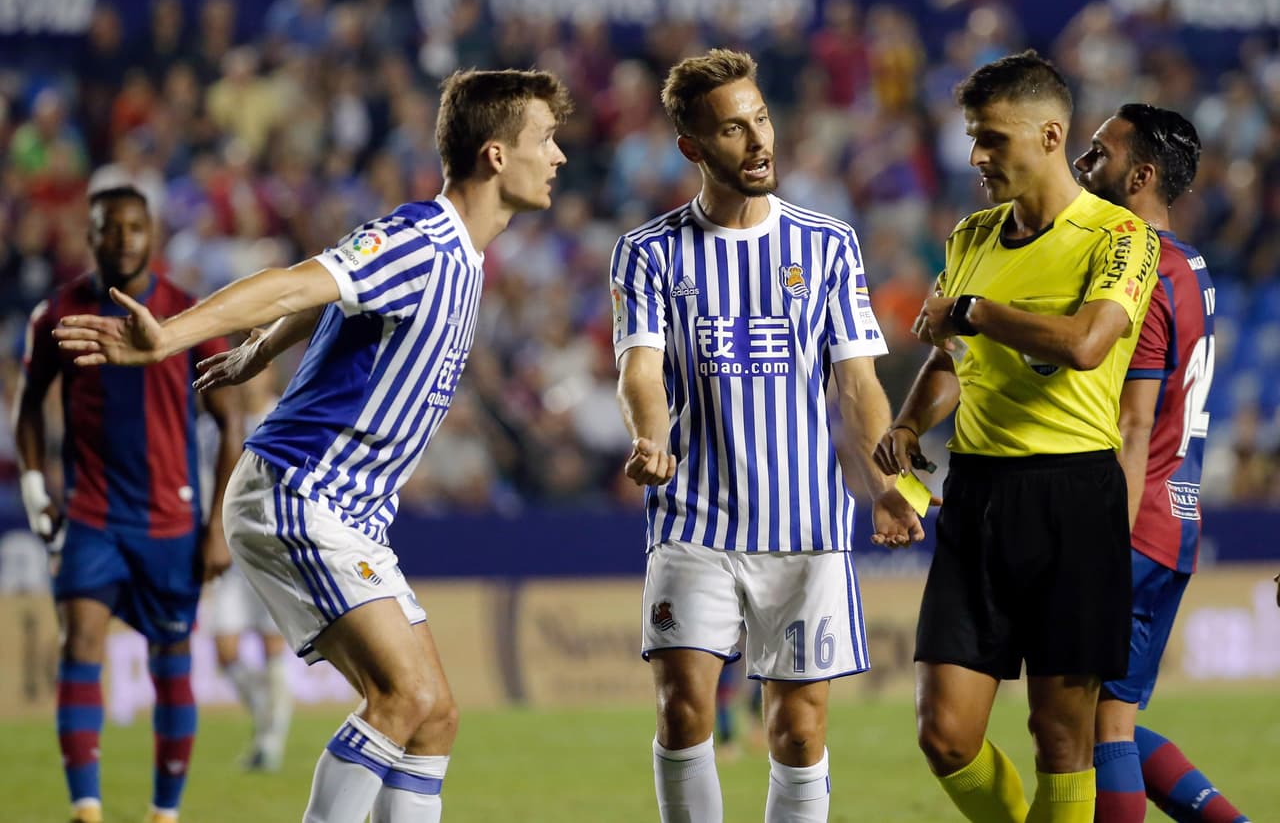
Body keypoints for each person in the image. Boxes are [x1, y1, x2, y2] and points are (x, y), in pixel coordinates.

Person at [53, 69, 571, 823]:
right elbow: (297, 282)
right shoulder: (424, 243)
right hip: (302, 490)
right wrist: (169, 337)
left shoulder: (456, 254)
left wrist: (263, 348)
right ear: (496, 155)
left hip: (348, 509)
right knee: (405, 697)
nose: (558, 156)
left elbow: (331, 289)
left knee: (434, 716)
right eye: (545, 140)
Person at [612, 48, 925, 823]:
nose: (757, 142)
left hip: (804, 525)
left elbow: (858, 384)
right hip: (694, 520)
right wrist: (651, 437)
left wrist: (886, 486)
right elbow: (640, 370)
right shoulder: (649, 252)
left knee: (797, 730)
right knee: (683, 709)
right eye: (732, 129)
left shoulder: (828, 244)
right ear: (691, 146)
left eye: (761, 119)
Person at [873, 51, 1160, 822]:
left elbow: (1087, 343)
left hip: (1074, 493)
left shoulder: (1120, 236)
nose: (976, 156)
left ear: (1050, 136)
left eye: (992, 138)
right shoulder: (972, 235)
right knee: (944, 735)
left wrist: (975, 312)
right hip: (976, 494)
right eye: (973, 137)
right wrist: (909, 421)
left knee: (1060, 740)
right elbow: (950, 357)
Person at [15, 185, 242, 823]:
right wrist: (35, 490)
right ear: (89, 235)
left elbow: (230, 422)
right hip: (92, 516)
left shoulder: (188, 314)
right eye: (108, 227)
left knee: (171, 663)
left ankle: (164, 812)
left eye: (134, 227)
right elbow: (28, 408)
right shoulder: (57, 314)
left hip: (171, 523)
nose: (122, 238)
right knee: (79, 643)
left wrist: (218, 525)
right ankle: (86, 808)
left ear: (152, 234)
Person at [1075, 104, 1249, 823]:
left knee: (1098, 728)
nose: (1083, 163)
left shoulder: (1141, 271)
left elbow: (1134, 422)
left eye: (1100, 152)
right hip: (1173, 517)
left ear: (1141, 175)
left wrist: (1106, 541)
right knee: (1099, 718)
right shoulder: (1189, 264)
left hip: (1134, 518)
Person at [203, 366, 293, 772]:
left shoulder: (287, 416)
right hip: (231, 552)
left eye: (262, 369)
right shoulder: (218, 425)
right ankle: (265, 718)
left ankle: (271, 743)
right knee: (225, 650)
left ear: (270, 375)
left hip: (274, 550)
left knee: (273, 648)